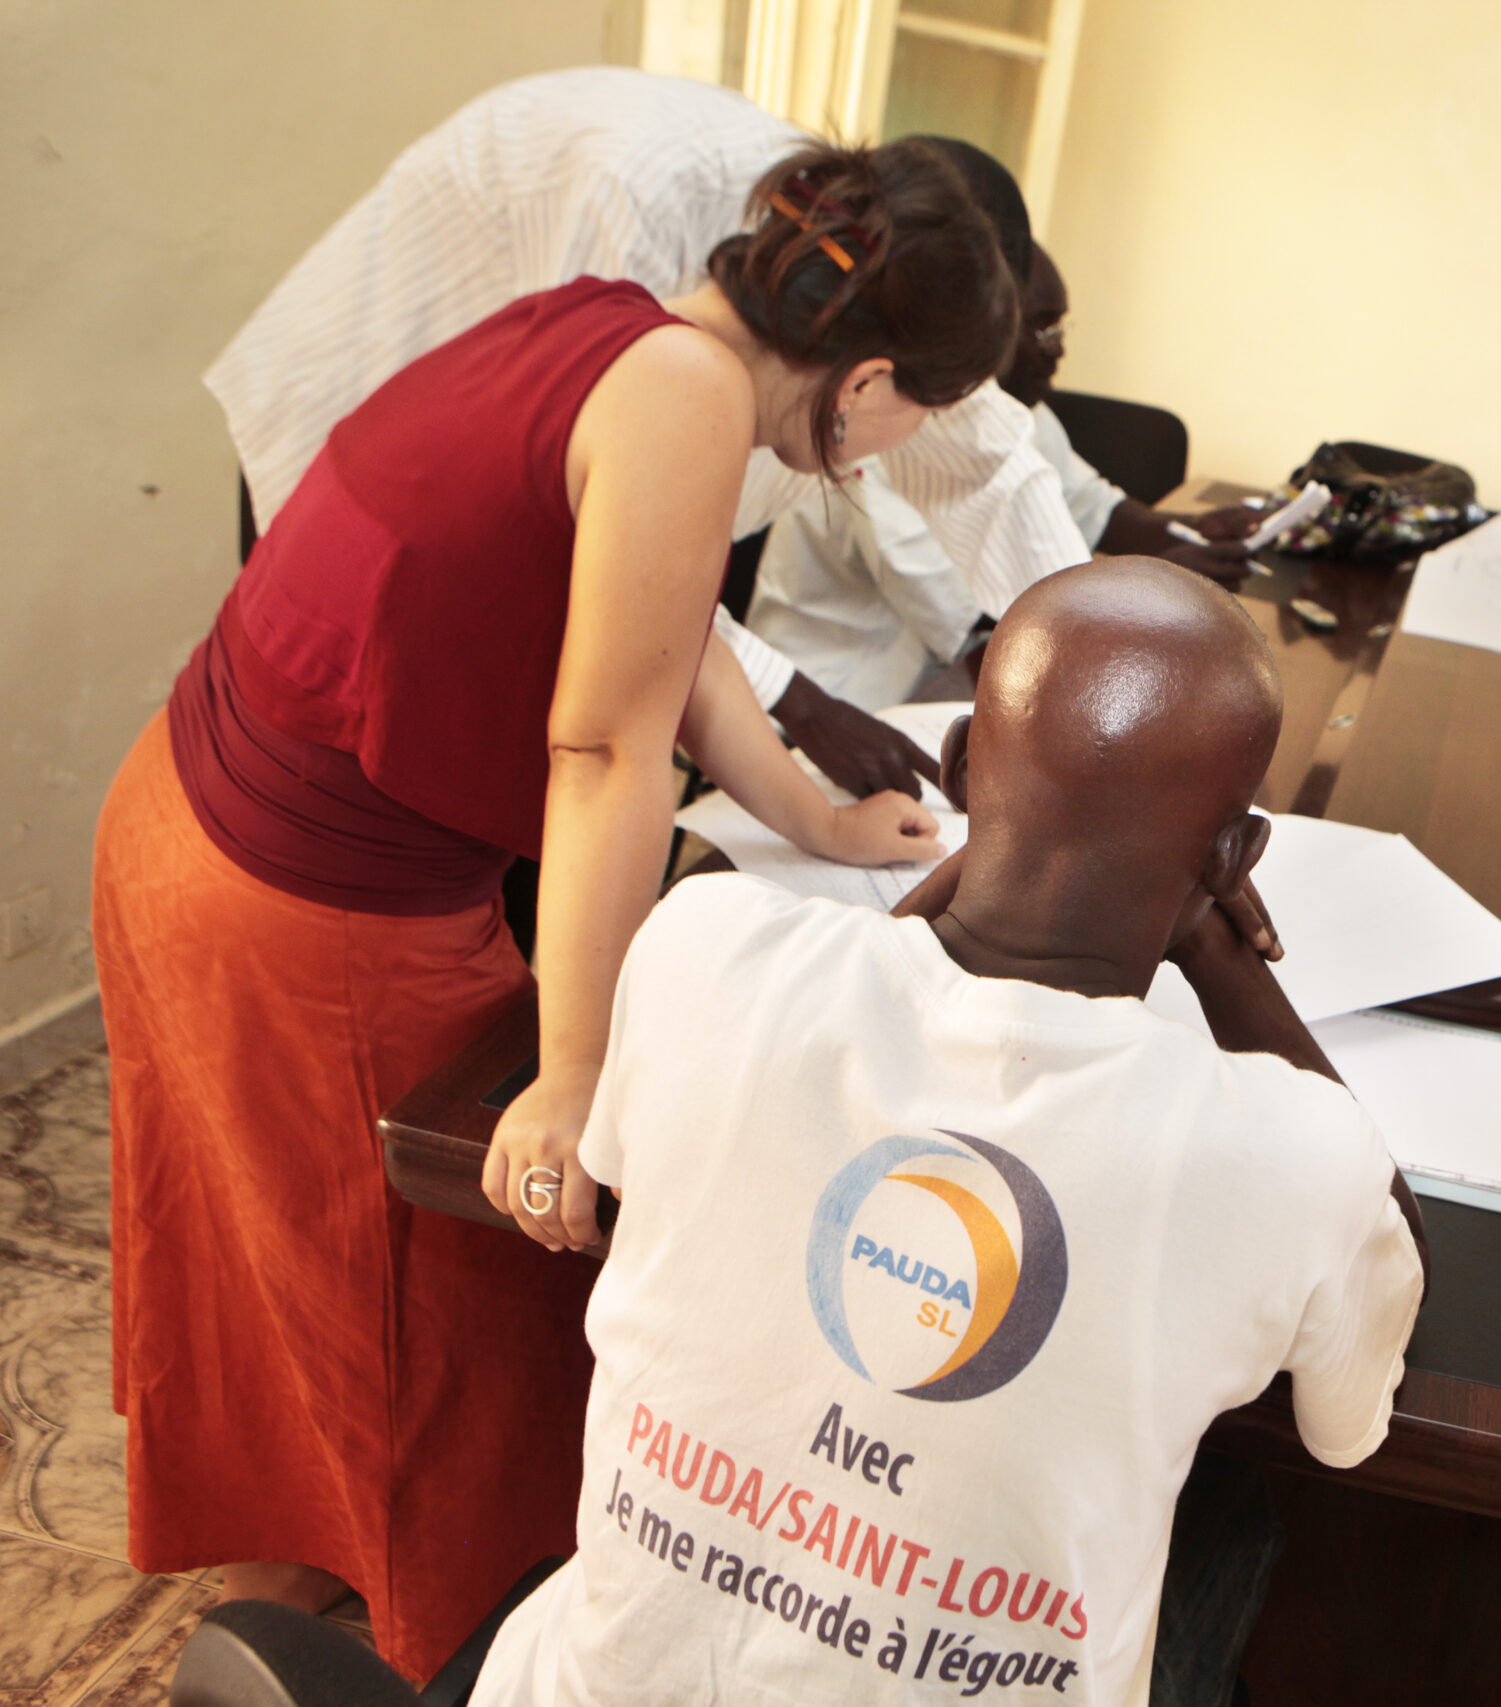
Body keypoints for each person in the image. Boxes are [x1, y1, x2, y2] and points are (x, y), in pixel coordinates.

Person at [93, 141, 999, 1676]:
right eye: (924, 409)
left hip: (180, 821)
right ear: (866, 382)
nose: (903, 440)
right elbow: (602, 746)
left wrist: (819, 816)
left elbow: (669, 626)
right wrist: (572, 1077)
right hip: (297, 909)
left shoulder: (621, 325)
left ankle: (284, 1604)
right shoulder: (693, 399)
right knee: (453, 1299)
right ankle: (416, 1647)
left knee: (280, 1263)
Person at [471, 558, 1429, 1706]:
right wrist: (1212, 945)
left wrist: (1015, 833)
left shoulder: (701, 947)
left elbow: (904, 975)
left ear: (965, 765)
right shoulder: (1293, 1158)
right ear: (1232, 858)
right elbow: (1364, 1362)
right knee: (1231, 1520)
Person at [204, 65, 1087, 800]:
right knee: (374, 791)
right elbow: (576, 546)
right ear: (873, 360)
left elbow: (988, 467)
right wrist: (795, 703)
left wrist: (1096, 673)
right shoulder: (638, 201)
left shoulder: (871, 279)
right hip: (354, 460)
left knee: (518, 804)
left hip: (509, 541)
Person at [746, 240, 1261, 708]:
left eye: (1061, 324)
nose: (1058, 346)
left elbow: (1094, 508)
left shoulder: (1026, 414)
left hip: (940, 680)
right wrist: (1148, 589)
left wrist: (1191, 533)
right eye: (1041, 327)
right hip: (834, 700)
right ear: (984, 329)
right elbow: (976, 622)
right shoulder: (887, 427)